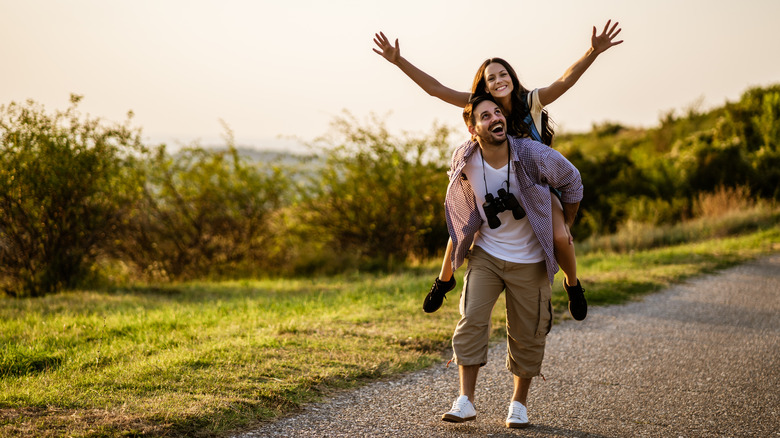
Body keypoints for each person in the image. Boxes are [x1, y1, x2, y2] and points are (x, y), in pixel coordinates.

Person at [373, 21, 622, 320]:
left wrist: (592, 51)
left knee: (561, 237)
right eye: (492, 78)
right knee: (461, 227)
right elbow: (435, 89)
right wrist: (398, 60)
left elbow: (565, 81)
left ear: (512, 78)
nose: (499, 80)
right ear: (485, 85)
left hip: (535, 185)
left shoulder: (530, 102)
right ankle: (444, 280)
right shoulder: (479, 105)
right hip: (492, 182)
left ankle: (573, 284)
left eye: (504, 74)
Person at [440, 94, 583, 427]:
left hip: (531, 259)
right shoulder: (464, 156)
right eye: (485, 116)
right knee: (471, 319)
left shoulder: (532, 153)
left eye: (497, 112)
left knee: (528, 333)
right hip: (487, 254)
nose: (494, 118)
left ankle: (518, 404)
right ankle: (465, 400)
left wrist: (564, 223)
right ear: (472, 127)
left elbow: (572, 180)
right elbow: (460, 203)